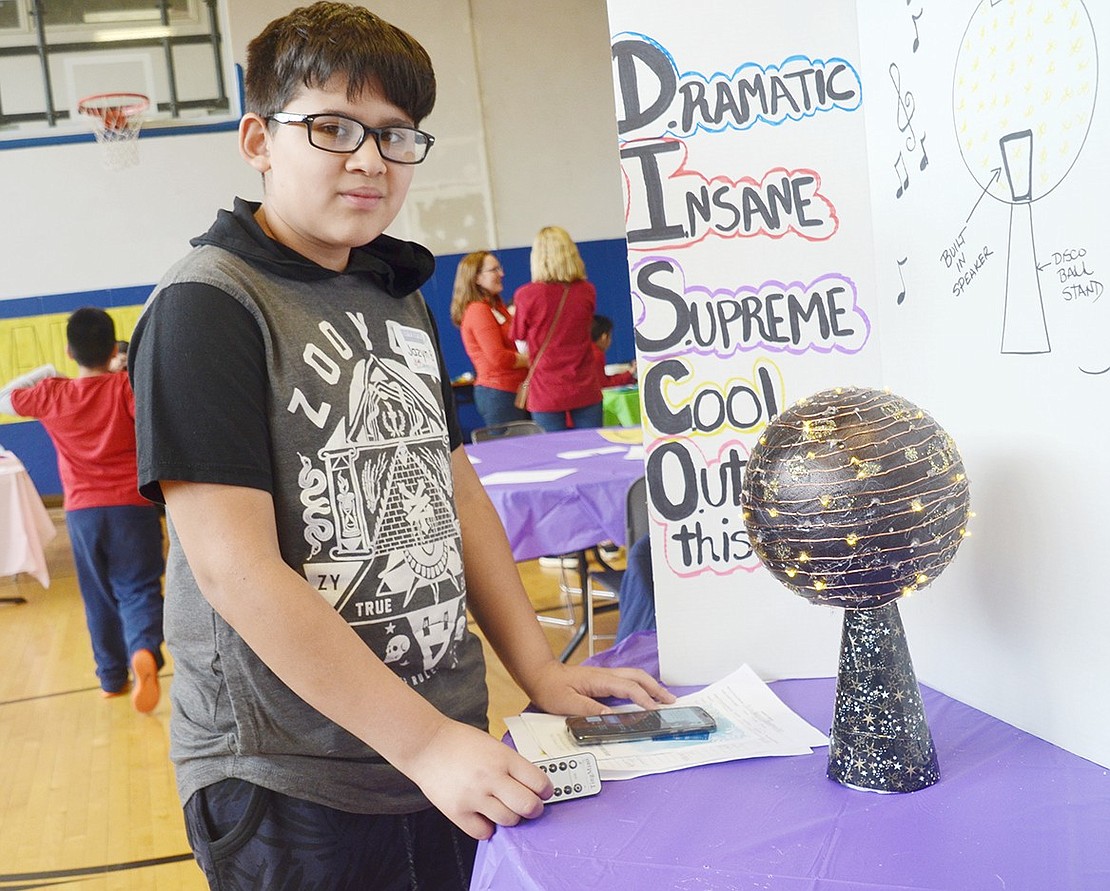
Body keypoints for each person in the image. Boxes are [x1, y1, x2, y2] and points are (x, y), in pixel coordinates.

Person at [128, 4, 674, 888]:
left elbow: (456, 493)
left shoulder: (397, 292)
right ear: (259, 139)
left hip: (437, 745)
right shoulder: (207, 303)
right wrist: (421, 741)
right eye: (333, 128)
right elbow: (237, 571)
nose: (369, 159)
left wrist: (537, 667)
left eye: (395, 135)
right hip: (291, 778)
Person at [0, 308, 165, 714]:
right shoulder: (125, 388)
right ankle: (143, 648)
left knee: (97, 596)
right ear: (113, 349)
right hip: (133, 506)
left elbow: (5, 396)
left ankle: (111, 678)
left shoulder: (52, 393)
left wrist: (50, 369)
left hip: (82, 513)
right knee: (139, 586)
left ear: (70, 351)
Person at [509, 226, 602, 432]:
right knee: (595, 450)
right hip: (585, 383)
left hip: (546, 388)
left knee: (552, 452)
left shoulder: (526, 295)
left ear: (538, 257)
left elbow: (520, 340)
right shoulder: (587, 291)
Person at [450, 250, 529, 426]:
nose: (502, 274)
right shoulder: (478, 310)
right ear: (476, 278)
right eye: (494, 270)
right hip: (499, 394)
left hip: (511, 391)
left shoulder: (496, 307)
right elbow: (498, 357)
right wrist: (531, 360)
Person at [591, 314, 636, 388]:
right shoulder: (596, 354)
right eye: (610, 336)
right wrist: (630, 373)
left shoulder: (584, 351)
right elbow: (604, 385)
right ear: (604, 337)